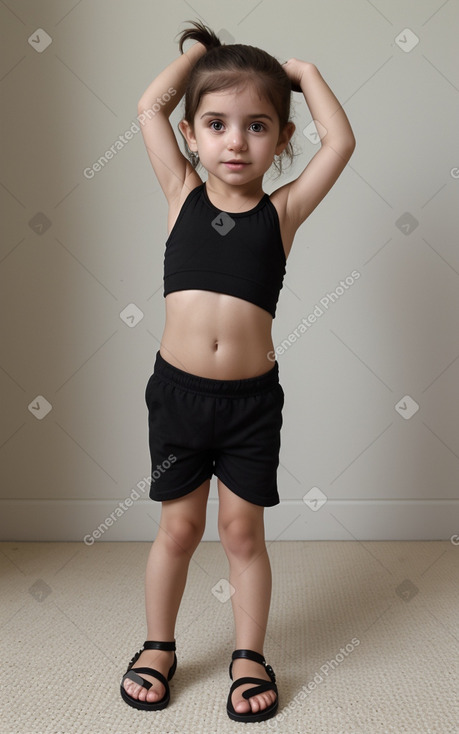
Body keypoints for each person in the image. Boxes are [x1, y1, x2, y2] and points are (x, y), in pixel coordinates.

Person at [120, 20, 355, 723]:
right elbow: (146, 108)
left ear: (283, 141)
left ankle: (249, 655)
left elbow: (339, 143)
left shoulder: (280, 213)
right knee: (178, 530)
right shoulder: (179, 194)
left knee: (242, 536)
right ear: (192, 133)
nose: (235, 141)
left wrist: (304, 75)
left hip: (250, 403)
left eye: (257, 126)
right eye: (216, 124)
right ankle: (158, 644)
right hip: (179, 397)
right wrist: (199, 58)